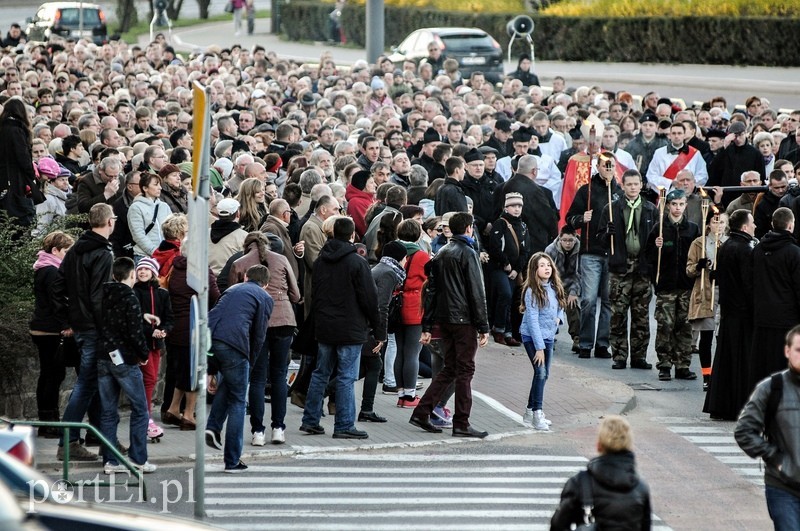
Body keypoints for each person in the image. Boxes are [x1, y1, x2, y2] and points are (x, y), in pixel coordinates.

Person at [409, 212, 491, 438]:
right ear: (468, 228)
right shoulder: (468, 252)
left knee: (451, 369)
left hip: (445, 319)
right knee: (464, 370)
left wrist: (427, 325)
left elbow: (431, 292)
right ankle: (461, 422)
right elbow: (477, 292)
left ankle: (422, 412)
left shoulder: (442, 252)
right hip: (463, 319)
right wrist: (483, 327)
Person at [300, 217, 383, 439]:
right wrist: (378, 328)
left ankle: (310, 420)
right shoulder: (357, 262)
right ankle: (344, 424)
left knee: (320, 373)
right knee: (347, 376)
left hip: (325, 325)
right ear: (353, 235)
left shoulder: (321, 261)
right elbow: (369, 298)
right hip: (350, 327)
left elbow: (314, 293)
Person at [56, 203, 116, 461]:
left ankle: (103, 439)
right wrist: (105, 328)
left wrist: (68, 318)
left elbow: (58, 286)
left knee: (91, 384)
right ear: (109, 223)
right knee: (86, 384)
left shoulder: (75, 251)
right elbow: (98, 295)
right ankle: (68, 442)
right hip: (93, 327)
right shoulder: (102, 253)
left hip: (80, 325)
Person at [228, 232, 300, 446]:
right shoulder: (282, 259)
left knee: (257, 379)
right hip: (284, 320)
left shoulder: (239, 263)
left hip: (256, 323)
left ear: (246, 245)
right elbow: (296, 294)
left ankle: (257, 431)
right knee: (279, 376)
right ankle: (278, 428)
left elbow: (231, 295)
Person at [205, 264, 273, 473]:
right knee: (238, 402)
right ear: (266, 284)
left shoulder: (230, 290)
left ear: (245, 278)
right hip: (236, 345)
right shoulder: (264, 297)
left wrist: (211, 369)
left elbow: (215, 319)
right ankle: (232, 460)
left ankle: (213, 428)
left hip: (211, 340)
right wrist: (250, 362)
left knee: (230, 384)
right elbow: (259, 334)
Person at [735, 324, 800, 531]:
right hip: (783, 487)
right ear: (787, 351)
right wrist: (774, 458)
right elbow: (744, 430)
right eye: (799, 350)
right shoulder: (772, 388)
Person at [97, 257, 157, 474]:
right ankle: (138, 459)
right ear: (132, 275)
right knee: (140, 409)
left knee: (108, 411)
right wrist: (142, 355)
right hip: (124, 360)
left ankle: (110, 461)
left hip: (103, 357)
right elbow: (134, 332)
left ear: (114, 275)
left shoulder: (104, 294)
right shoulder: (130, 297)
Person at [598, 169, 657, 370]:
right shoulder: (612, 208)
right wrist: (608, 233)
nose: (632, 187)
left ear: (641, 185)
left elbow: (656, 237)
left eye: (635, 184)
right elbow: (600, 239)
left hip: (642, 269)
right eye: (628, 184)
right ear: (622, 186)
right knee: (618, 314)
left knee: (641, 314)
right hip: (620, 268)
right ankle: (620, 355)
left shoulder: (650, 209)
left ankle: (639, 356)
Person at [565, 151, 621, 359]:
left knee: (607, 301)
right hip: (591, 253)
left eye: (611, 166)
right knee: (588, 299)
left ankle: (602, 344)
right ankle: (585, 342)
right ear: (597, 167)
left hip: (611, 253)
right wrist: (582, 218)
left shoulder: (619, 191)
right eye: (605, 165)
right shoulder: (586, 191)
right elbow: (570, 218)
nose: (608, 169)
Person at [551, 415, 651, 530]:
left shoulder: (580, 483)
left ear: (599, 446)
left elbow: (558, 525)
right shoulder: (640, 488)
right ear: (629, 446)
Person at [704, 209, 757, 420]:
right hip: (742, 313)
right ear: (744, 227)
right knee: (740, 361)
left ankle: (721, 404)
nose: (755, 226)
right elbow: (748, 283)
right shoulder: (744, 249)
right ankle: (737, 405)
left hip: (728, 310)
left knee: (726, 359)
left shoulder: (726, 245)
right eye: (752, 223)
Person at [645, 188, 700, 381]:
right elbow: (648, 256)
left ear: (685, 206)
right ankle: (665, 364)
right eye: (674, 204)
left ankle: (683, 364)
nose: (677, 208)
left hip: (686, 285)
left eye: (681, 204)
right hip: (666, 285)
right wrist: (655, 247)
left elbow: (697, 254)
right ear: (668, 205)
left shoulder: (692, 229)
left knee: (684, 326)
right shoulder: (659, 228)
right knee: (665, 325)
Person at [748, 207, 800, 394]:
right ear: (791, 225)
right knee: (784, 365)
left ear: (772, 224)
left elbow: (750, 281)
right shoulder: (794, 252)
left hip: (762, 315)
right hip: (787, 318)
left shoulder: (758, 250)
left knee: (762, 364)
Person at [29, 231, 75, 438]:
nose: (68, 255)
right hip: (49, 330)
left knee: (51, 375)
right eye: (66, 251)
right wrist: (66, 323)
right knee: (52, 375)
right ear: (55, 250)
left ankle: (49, 421)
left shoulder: (45, 268)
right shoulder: (51, 271)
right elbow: (57, 301)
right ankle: (49, 423)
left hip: (44, 327)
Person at [519, 252, 565, 431]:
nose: (547, 268)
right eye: (542, 265)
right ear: (534, 270)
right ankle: (537, 412)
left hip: (549, 337)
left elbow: (561, 306)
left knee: (545, 374)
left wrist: (558, 319)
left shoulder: (554, 287)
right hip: (533, 337)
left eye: (548, 265)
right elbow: (532, 320)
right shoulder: (532, 291)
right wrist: (539, 348)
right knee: (540, 372)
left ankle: (530, 411)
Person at [132, 257, 173, 441]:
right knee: (148, 380)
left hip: (157, 345)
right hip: (142, 344)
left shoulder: (162, 294)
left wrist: (163, 331)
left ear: (153, 273)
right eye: (140, 269)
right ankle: (145, 420)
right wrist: (152, 331)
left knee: (151, 380)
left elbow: (169, 318)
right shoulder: (134, 292)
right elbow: (134, 319)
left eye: (146, 270)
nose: (142, 272)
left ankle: (144, 418)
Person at [686, 211, 727, 390]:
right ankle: (707, 375)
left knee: (723, 336)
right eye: (715, 222)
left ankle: (722, 374)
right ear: (709, 224)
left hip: (726, 293)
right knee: (707, 335)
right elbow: (689, 269)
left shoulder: (731, 243)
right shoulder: (699, 243)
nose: (719, 226)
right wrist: (699, 266)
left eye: (722, 223)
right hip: (706, 292)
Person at [487, 192, 530, 346]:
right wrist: (506, 264)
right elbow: (495, 247)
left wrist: (517, 269)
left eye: (519, 206)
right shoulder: (500, 223)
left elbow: (525, 250)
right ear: (506, 207)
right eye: (513, 206)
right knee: (504, 294)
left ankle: (508, 332)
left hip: (514, 271)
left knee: (511, 299)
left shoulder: (523, 226)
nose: (516, 209)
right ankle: (498, 329)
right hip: (499, 268)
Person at [0, 97, 45, 226]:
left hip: (5, 177)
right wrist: (32, 174)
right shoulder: (16, 130)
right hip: (15, 179)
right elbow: (23, 156)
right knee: (18, 217)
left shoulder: (3, 129)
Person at [545, 226, 581, 353]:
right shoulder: (550, 250)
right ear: (560, 238)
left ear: (575, 238)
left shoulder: (580, 249)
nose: (567, 243)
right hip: (554, 284)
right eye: (564, 240)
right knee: (550, 309)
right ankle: (549, 337)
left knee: (573, 307)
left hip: (571, 283)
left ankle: (577, 338)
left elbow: (580, 273)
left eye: (570, 240)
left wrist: (574, 292)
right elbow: (546, 273)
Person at [127, 172, 169, 262]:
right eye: (155, 185)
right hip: (144, 256)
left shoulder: (164, 206)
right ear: (145, 188)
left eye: (160, 185)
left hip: (165, 255)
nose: (160, 188)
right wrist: (155, 251)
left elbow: (172, 229)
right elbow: (138, 235)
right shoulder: (136, 207)